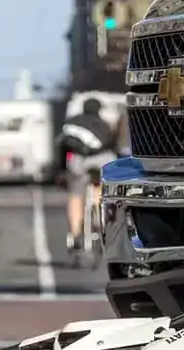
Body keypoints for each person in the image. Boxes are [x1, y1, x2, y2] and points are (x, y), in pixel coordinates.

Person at [58, 98, 119, 252]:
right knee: (100, 186)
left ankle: (75, 232)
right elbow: (113, 146)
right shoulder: (104, 125)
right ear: (98, 110)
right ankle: (101, 218)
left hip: (77, 160)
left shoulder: (71, 123)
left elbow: (63, 147)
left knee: (76, 195)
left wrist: (61, 171)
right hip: (100, 161)